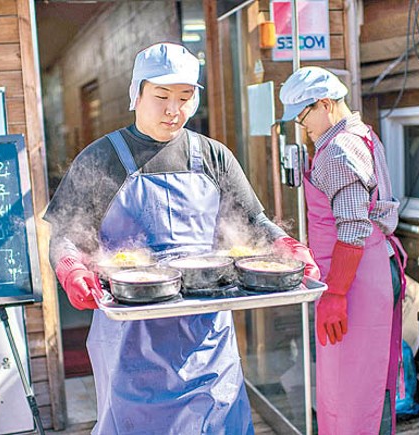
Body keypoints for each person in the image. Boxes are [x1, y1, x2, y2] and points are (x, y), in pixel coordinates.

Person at [44, 42, 320, 435]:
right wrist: (70, 267)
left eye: (185, 97)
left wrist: (286, 245)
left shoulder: (212, 156)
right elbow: (65, 236)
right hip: (130, 344)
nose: (174, 110)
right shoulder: (101, 159)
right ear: (136, 93)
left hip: (206, 340)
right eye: (161, 97)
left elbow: (255, 223)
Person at [279, 66, 407, 435]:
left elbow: (352, 228)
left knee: (356, 388)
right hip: (373, 268)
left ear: (323, 104)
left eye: (303, 118)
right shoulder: (362, 134)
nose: (301, 128)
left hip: (356, 280)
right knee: (366, 378)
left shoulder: (337, 151)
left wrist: (335, 293)